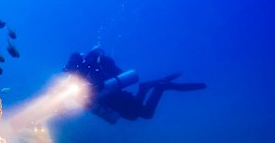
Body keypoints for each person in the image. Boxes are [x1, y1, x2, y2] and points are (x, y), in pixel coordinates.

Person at [63, 48, 206, 124]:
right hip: (111, 102)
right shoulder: (77, 76)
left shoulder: (92, 69)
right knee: (133, 117)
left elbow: (102, 82)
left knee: (146, 114)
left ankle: (159, 87)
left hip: (117, 98)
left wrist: (92, 88)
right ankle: (147, 87)